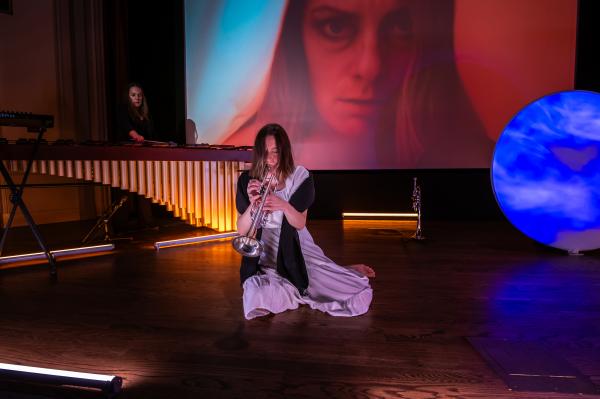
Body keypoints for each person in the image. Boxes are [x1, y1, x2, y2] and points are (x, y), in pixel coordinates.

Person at [222, 0, 492, 169]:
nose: (371, 66)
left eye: (401, 27)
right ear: (292, 35)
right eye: (335, 27)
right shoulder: (235, 161)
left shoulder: (480, 160)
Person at [236, 123, 375, 320]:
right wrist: (253, 203)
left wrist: (283, 204)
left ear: (285, 151)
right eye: (265, 152)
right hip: (264, 249)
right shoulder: (247, 180)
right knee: (255, 294)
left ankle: (345, 271)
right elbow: (242, 230)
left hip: (294, 245)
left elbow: (299, 223)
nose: (271, 159)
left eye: (276, 151)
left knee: (332, 285)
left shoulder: (300, 177)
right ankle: (334, 269)